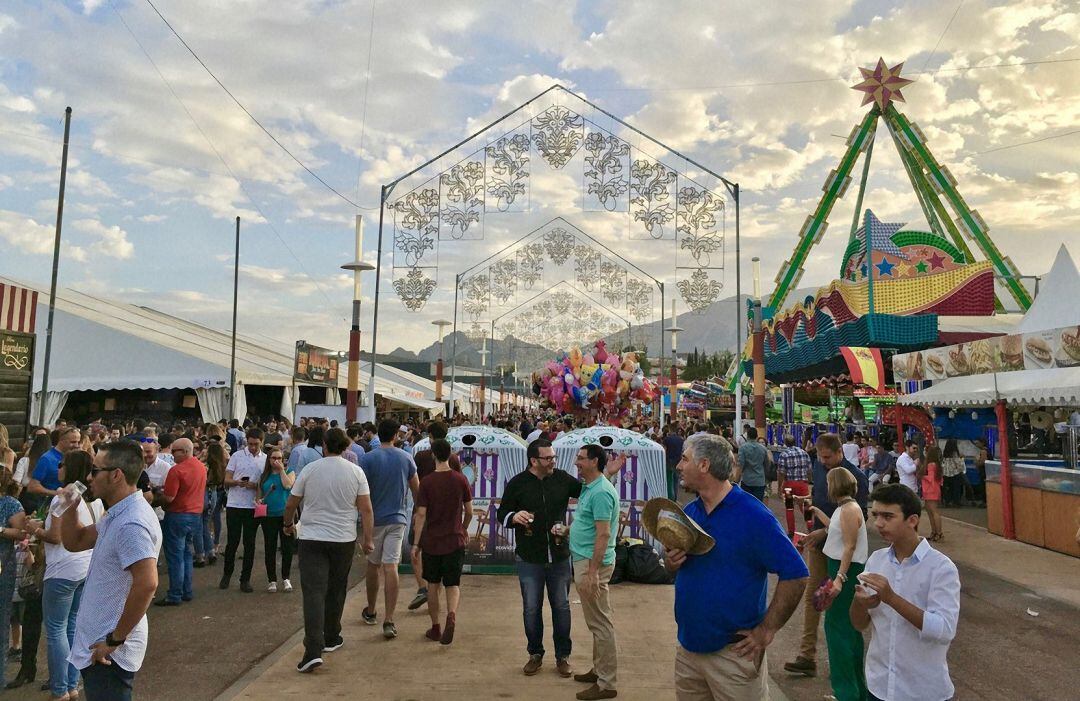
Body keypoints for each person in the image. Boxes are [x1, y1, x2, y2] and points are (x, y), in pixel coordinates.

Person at [664, 434, 808, 700]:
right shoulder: (692, 512)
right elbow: (677, 568)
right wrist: (670, 563)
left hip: (733, 657)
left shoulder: (754, 516)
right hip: (689, 652)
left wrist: (766, 630)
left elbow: (796, 574)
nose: (679, 466)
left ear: (704, 465)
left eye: (685, 459)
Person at [496, 439, 624, 680]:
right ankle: (535, 654)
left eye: (554, 457)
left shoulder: (563, 479)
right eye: (548, 458)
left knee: (562, 607)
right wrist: (514, 516)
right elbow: (501, 513)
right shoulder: (518, 483)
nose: (554, 461)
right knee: (531, 608)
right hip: (529, 557)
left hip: (559, 556)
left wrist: (608, 472)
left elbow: (591, 489)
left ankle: (562, 657)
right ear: (534, 461)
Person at [61, 440, 162, 700]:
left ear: (116, 475)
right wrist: (70, 509)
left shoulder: (131, 522)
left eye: (95, 470)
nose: (88, 477)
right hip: (99, 643)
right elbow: (76, 541)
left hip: (109, 650)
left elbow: (148, 583)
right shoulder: (117, 513)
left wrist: (115, 640)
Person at [851, 484, 960, 701]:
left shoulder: (940, 568)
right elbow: (858, 624)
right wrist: (860, 603)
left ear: (912, 520)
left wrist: (891, 599)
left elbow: (944, 629)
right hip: (879, 687)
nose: (879, 523)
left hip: (922, 691)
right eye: (875, 515)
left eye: (888, 516)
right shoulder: (876, 560)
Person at [283, 428, 374, 673]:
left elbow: (292, 502)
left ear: (324, 445)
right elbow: (366, 509)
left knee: (313, 592)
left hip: (311, 538)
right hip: (343, 539)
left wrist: (288, 524)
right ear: (345, 446)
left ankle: (313, 649)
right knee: (336, 588)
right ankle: (332, 636)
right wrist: (368, 539)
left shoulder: (311, 470)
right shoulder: (356, 472)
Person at [785, 432, 868, 679]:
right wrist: (807, 502)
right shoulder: (821, 468)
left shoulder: (857, 478)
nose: (823, 461)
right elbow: (820, 495)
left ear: (840, 451)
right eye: (820, 457)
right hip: (821, 544)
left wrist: (824, 531)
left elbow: (857, 518)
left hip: (840, 551)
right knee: (814, 596)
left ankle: (847, 671)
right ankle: (807, 655)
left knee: (839, 610)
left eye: (828, 457)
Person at [33, 450, 104, 701]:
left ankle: (60, 689)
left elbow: (55, 536)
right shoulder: (88, 497)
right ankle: (72, 685)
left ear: (69, 467)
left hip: (62, 568)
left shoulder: (64, 496)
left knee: (55, 629)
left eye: (61, 464)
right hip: (84, 567)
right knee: (73, 626)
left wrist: (35, 529)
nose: (58, 468)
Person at [804, 467, 868, 701]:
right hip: (843, 570)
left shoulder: (849, 510)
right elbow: (837, 527)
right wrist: (818, 512)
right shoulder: (848, 508)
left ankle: (845, 693)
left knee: (838, 630)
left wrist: (840, 578)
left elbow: (849, 545)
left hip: (844, 571)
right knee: (848, 631)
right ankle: (855, 691)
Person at [568, 444, 621, 701]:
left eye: (581, 458)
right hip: (585, 560)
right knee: (597, 622)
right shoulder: (594, 487)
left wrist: (592, 572)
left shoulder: (600, 492)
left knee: (601, 624)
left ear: (594, 462)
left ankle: (607, 683)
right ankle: (600, 670)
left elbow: (603, 533)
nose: (576, 462)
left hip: (592, 564)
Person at [357, 419, 419, 640]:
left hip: (373, 519)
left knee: (373, 565)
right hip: (398, 517)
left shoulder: (367, 459)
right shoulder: (406, 458)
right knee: (391, 565)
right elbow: (417, 489)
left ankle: (372, 610)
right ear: (395, 435)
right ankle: (389, 619)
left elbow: (360, 491)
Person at [411, 438, 472, 645]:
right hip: (454, 540)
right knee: (453, 584)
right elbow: (470, 511)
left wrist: (416, 544)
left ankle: (436, 627)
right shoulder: (460, 479)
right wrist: (462, 527)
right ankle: (452, 615)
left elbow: (421, 515)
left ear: (434, 455)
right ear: (451, 454)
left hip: (432, 542)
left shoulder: (426, 482)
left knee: (433, 585)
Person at [406, 421, 461, 612]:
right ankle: (434, 598)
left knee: (416, 548)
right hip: (446, 515)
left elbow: (415, 483)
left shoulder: (421, 456)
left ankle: (423, 588)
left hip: (424, 509)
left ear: (430, 436)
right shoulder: (453, 459)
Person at [157, 438, 206, 606]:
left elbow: (169, 498)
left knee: (175, 556)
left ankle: (174, 594)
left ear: (185, 451)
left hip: (177, 515)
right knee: (186, 553)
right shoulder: (200, 467)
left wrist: (158, 498)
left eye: (174, 451)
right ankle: (187, 591)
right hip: (195, 515)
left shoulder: (176, 471)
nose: (171, 455)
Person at [220, 428, 266, 593]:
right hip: (234, 504)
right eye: (250, 444)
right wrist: (237, 482)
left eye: (256, 444)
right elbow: (226, 479)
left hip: (252, 505)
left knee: (250, 543)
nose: (253, 447)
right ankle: (227, 574)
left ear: (261, 442)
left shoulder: (265, 459)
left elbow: (265, 484)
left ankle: (245, 579)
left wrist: (255, 486)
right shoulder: (237, 456)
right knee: (232, 542)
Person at [0, 468, 27, 690]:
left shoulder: (10, 503)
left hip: (2, 568)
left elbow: (21, 533)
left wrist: (0, 529)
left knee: (1, 624)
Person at [257, 446, 295, 593]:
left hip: (286, 515)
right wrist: (258, 501)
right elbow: (259, 494)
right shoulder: (264, 476)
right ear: (269, 459)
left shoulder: (290, 472)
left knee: (287, 548)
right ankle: (272, 579)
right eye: (274, 458)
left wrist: (282, 471)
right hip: (269, 516)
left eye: (279, 458)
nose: (277, 461)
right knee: (270, 547)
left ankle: (286, 578)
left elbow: (287, 485)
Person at [28, 428, 81, 505]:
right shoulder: (47, 458)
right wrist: (56, 493)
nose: (77, 445)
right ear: (62, 440)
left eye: (78, 442)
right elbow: (32, 487)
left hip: (69, 506)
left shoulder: (74, 457)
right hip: (50, 507)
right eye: (73, 442)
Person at [196, 441, 226, 567]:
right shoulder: (221, 465)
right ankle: (210, 551)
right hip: (213, 494)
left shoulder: (206, 465)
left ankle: (200, 555)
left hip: (203, 493)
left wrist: (200, 457)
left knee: (198, 525)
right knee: (205, 524)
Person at [776, 433, 813, 531]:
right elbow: (809, 470)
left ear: (785, 443)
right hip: (802, 483)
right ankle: (810, 527)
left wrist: (780, 487)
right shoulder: (804, 453)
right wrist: (808, 482)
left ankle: (791, 531)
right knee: (805, 506)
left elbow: (781, 473)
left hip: (789, 484)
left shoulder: (783, 454)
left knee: (789, 507)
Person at [736, 426, 769, 502]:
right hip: (760, 480)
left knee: (747, 503)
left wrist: (736, 480)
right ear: (757, 436)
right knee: (758, 503)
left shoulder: (743, 448)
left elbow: (740, 465)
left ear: (747, 436)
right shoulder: (763, 449)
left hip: (747, 480)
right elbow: (766, 464)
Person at [921, 444, 944, 543]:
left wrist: (922, 476)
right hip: (934, 489)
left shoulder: (931, 465)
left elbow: (930, 478)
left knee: (933, 511)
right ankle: (935, 532)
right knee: (931, 511)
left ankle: (937, 532)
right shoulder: (937, 465)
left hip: (930, 490)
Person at [940, 439, 966, 508]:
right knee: (956, 488)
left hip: (946, 473)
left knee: (948, 488)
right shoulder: (954, 453)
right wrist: (962, 458)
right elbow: (958, 463)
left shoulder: (945, 452)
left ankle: (947, 501)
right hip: (954, 473)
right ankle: (956, 502)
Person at [662, 426, 684, 501]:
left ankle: (670, 497)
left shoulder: (666, 439)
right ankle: (675, 498)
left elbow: (664, 450)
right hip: (678, 461)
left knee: (669, 480)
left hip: (669, 461)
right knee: (676, 480)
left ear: (670, 430)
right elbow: (682, 451)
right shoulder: (681, 439)